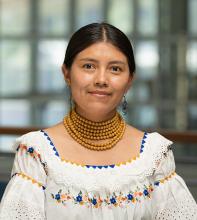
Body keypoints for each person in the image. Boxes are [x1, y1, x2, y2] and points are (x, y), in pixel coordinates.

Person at [0, 22, 196, 220]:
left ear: (129, 81)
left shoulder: (154, 154)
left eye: (115, 69)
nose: (101, 79)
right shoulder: (37, 153)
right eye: (88, 66)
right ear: (66, 73)